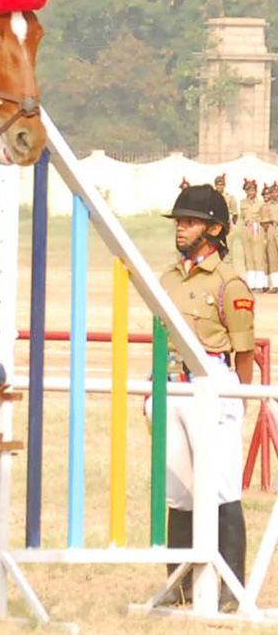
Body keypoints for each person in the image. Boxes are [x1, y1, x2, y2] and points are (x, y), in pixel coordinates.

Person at [154, 184, 252, 611]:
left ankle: (231, 589)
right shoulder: (166, 278)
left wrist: (238, 398)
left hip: (212, 380)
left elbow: (243, 348)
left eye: (190, 222)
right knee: (179, 492)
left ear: (213, 229)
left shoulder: (230, 282)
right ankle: (181, 587)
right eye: (179, 222)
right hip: (171, 382)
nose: (181, 229)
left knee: (222, 489)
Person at [238, 179, 265, 291]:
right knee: (248, 256)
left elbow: (264, 218)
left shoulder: (261, 203)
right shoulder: (242, 202)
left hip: (256, 228)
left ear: (256, 191)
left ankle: (259, 284)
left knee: (258, 256)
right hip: (246, 228)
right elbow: (242, 216)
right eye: (248, 190)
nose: (251, 192)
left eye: (253, 190)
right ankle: (251, 284)